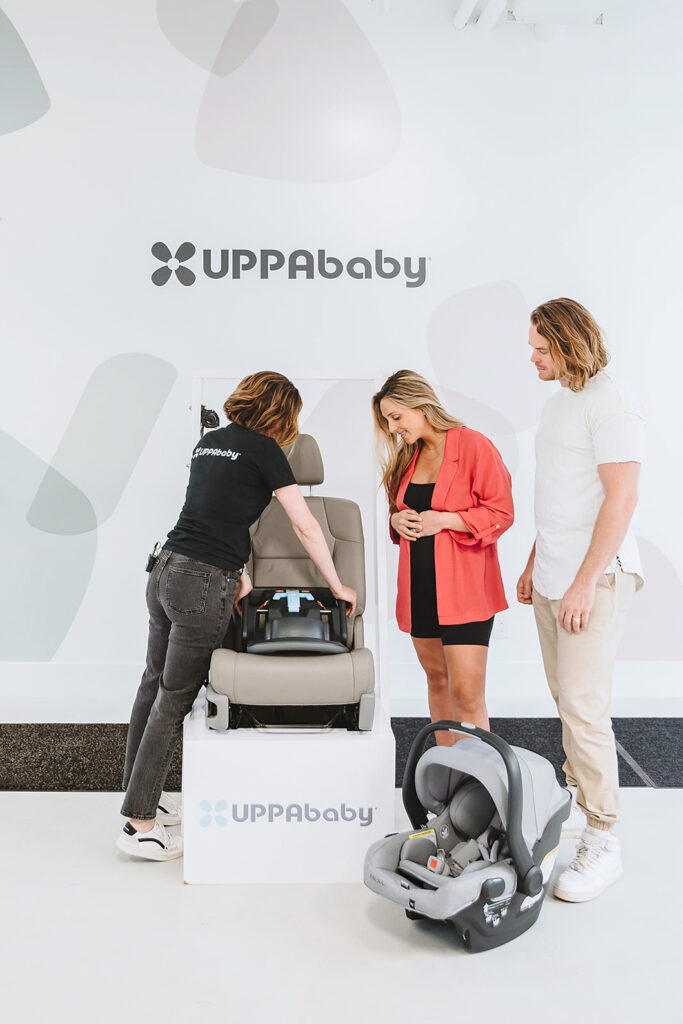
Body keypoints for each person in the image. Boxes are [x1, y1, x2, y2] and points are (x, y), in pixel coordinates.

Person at [117, 371, 357, 861]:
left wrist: (240, 571)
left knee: (152, 683)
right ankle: (139, 825)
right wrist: (336, 585)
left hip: (165, 569)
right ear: (282, 413)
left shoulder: (211, 444)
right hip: (201, 583)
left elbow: (213, 512)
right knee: (174, 699)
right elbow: (305, 525)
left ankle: (142, 798)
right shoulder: (266, 449)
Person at [517, 298, 644, 902]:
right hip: (555, 573)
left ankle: (604, 838)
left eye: (542, 348)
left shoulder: (610, 403)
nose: (533, 356)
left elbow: (620, 500)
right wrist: (534, 561)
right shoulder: (558, 403)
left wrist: (585, 581)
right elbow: (561, 496)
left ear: (568, 344)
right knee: (566, 701)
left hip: (593, 578)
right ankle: (579, 814)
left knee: (586, 709)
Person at [373, 370, 513, 744]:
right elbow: (401, 513)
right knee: (437, 681)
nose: (392, 428)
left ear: (420, 405)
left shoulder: (473, 446)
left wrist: (446, 520)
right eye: (387, 420)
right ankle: (449, 777)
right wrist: (395, 519)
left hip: (465, 593)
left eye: (396, 417)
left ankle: (479, 788)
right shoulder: (407, 458)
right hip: (420, 590)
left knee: (466, 693)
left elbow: (501, 513)